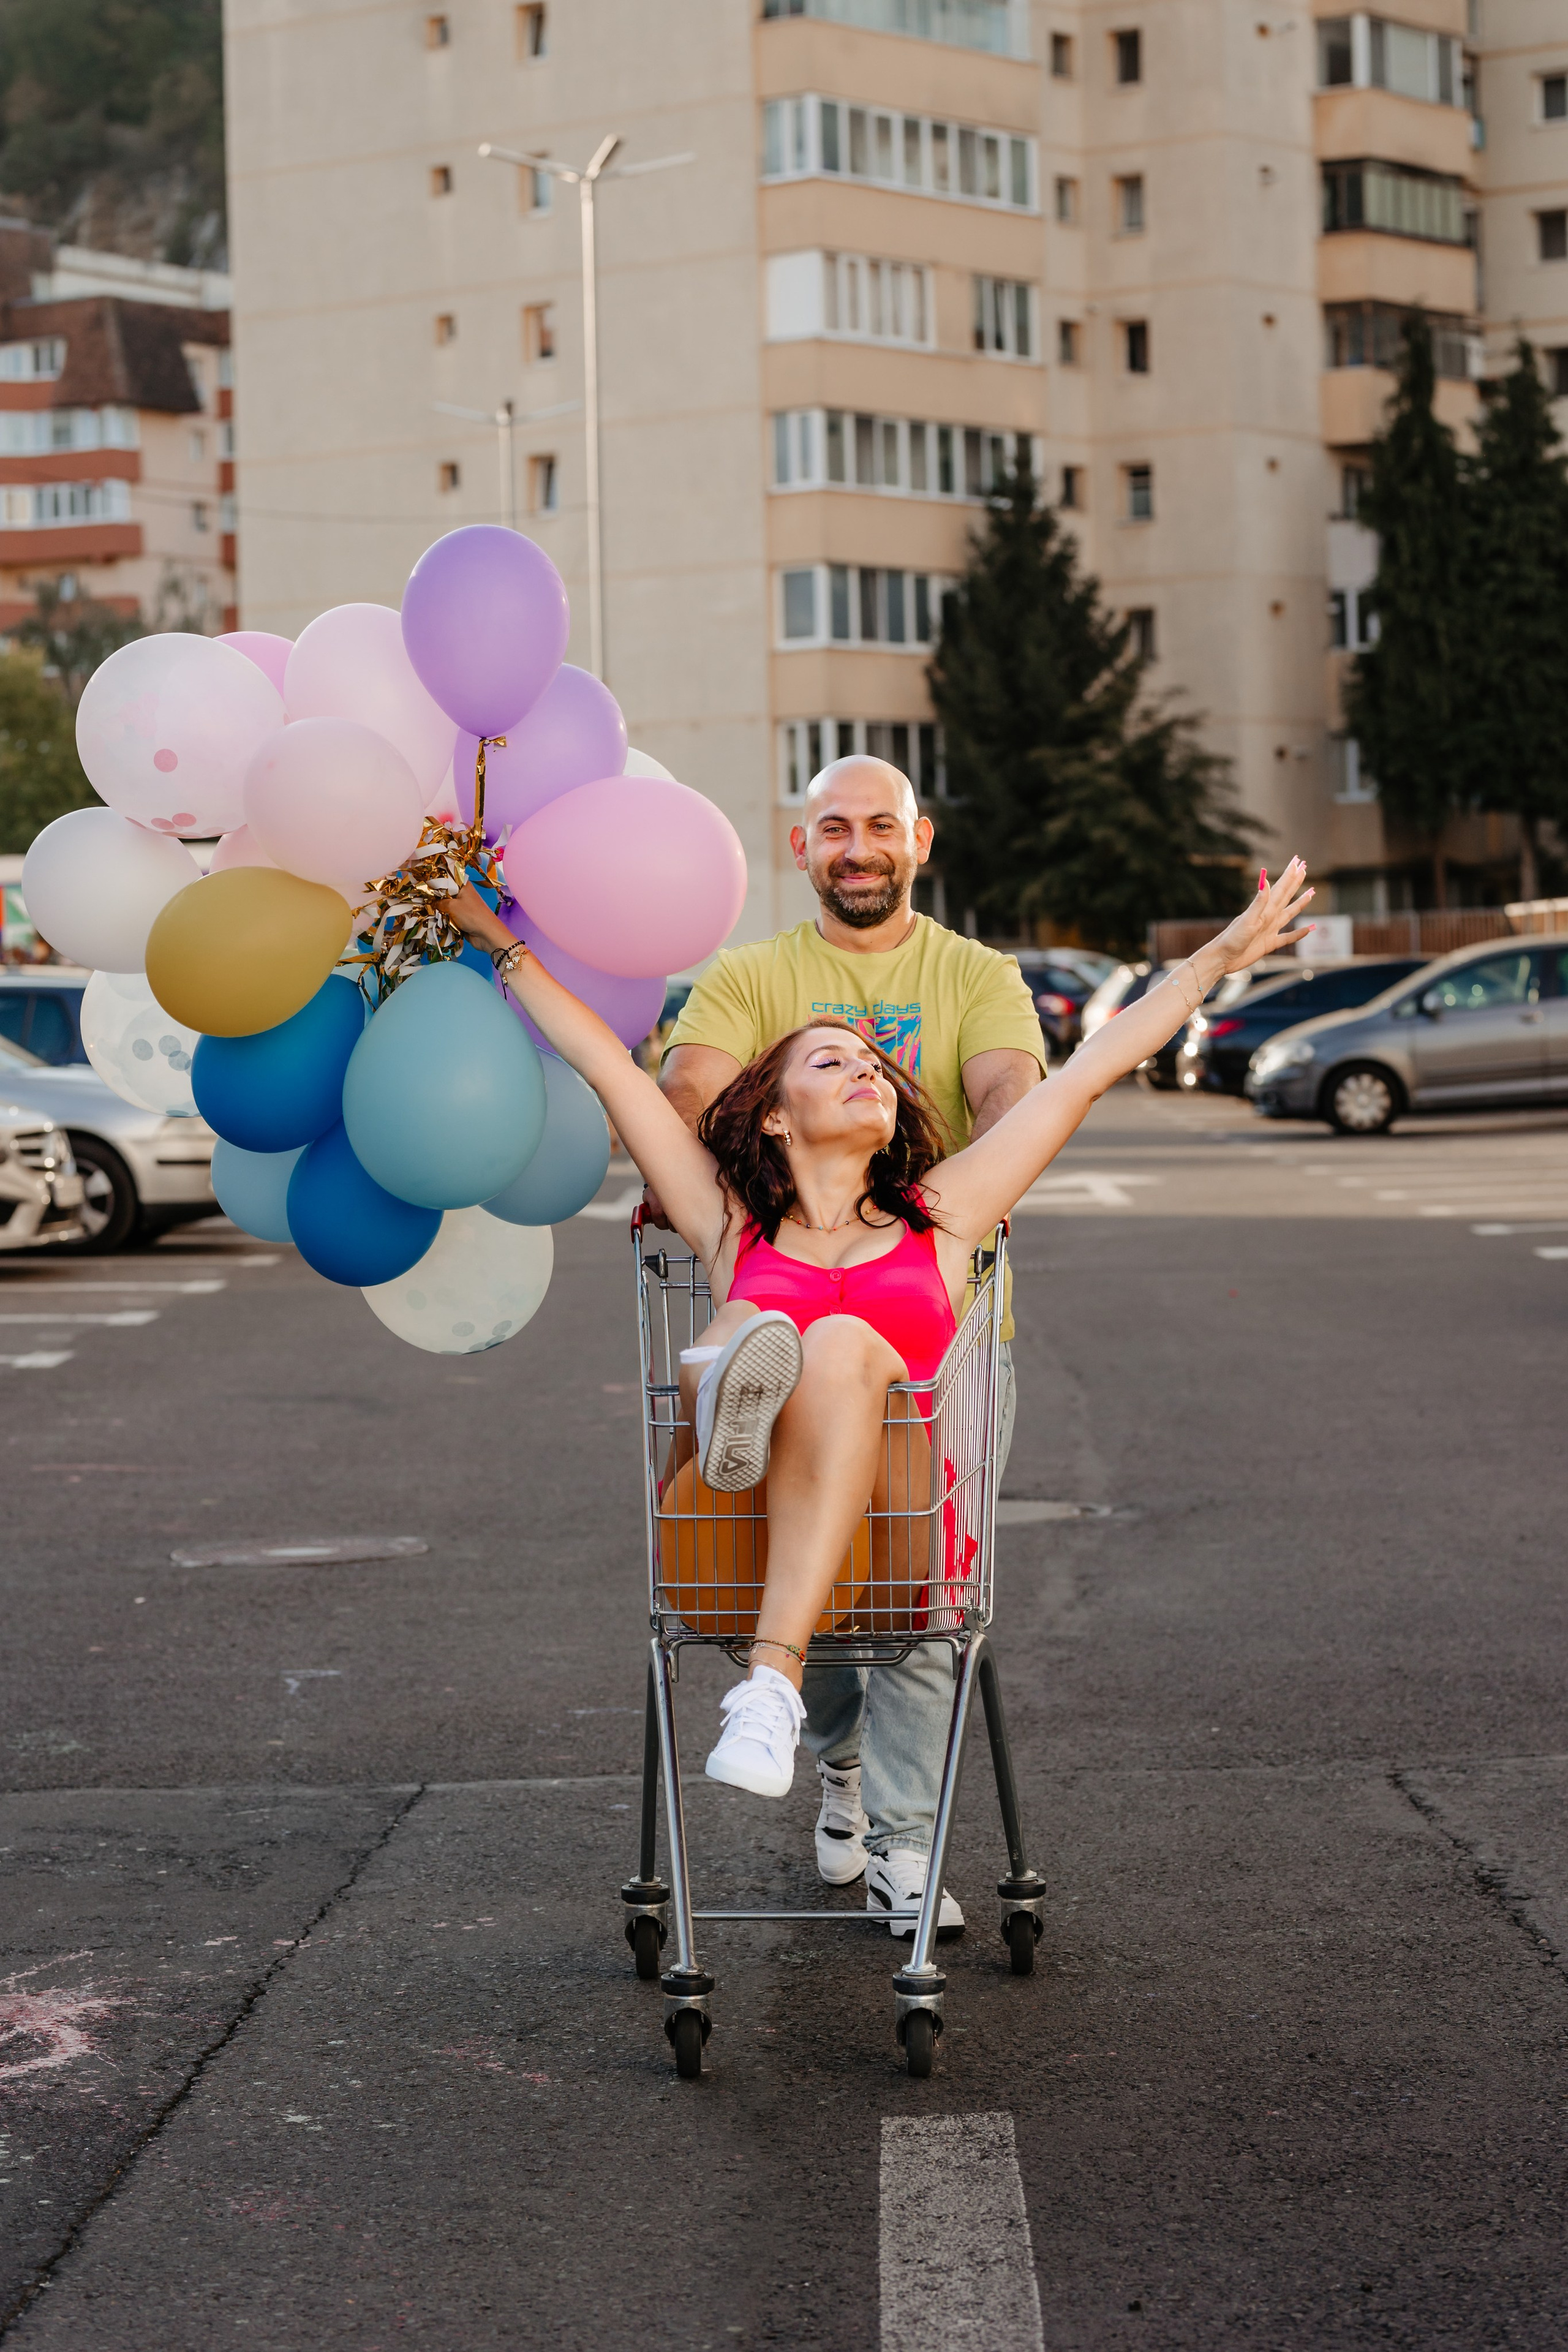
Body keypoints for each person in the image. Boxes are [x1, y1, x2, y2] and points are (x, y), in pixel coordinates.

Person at [448, 857, 1314, 1858]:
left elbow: (1089, 1068)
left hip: (900, 1548)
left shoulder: (940, 1220)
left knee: (840, 1343)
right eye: (828, 1064)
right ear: (771, 1112)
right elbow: (610, 1067)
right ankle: (745, 1409)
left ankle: (767, 1662)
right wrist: (497, 943)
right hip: (735, 1536)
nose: (865, 1070)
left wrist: (1215, 960)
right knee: (765, 1331)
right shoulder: (732, 1225)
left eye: (872, 1065)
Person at [649, 754, 1047, 1940]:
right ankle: (832, 1756)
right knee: (816, 1576)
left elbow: (1009, 1091)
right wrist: (767, 1219)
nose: (858, 847)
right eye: (834, 828)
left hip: (937, 1328)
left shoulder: (971, 973)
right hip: (789, 1297)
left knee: (918, 1593)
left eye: (880, 826)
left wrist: (898, 1218)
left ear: (919, 842)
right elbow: (682, 1101)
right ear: (800, 849)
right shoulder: (752, 975)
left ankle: (906, 1843)